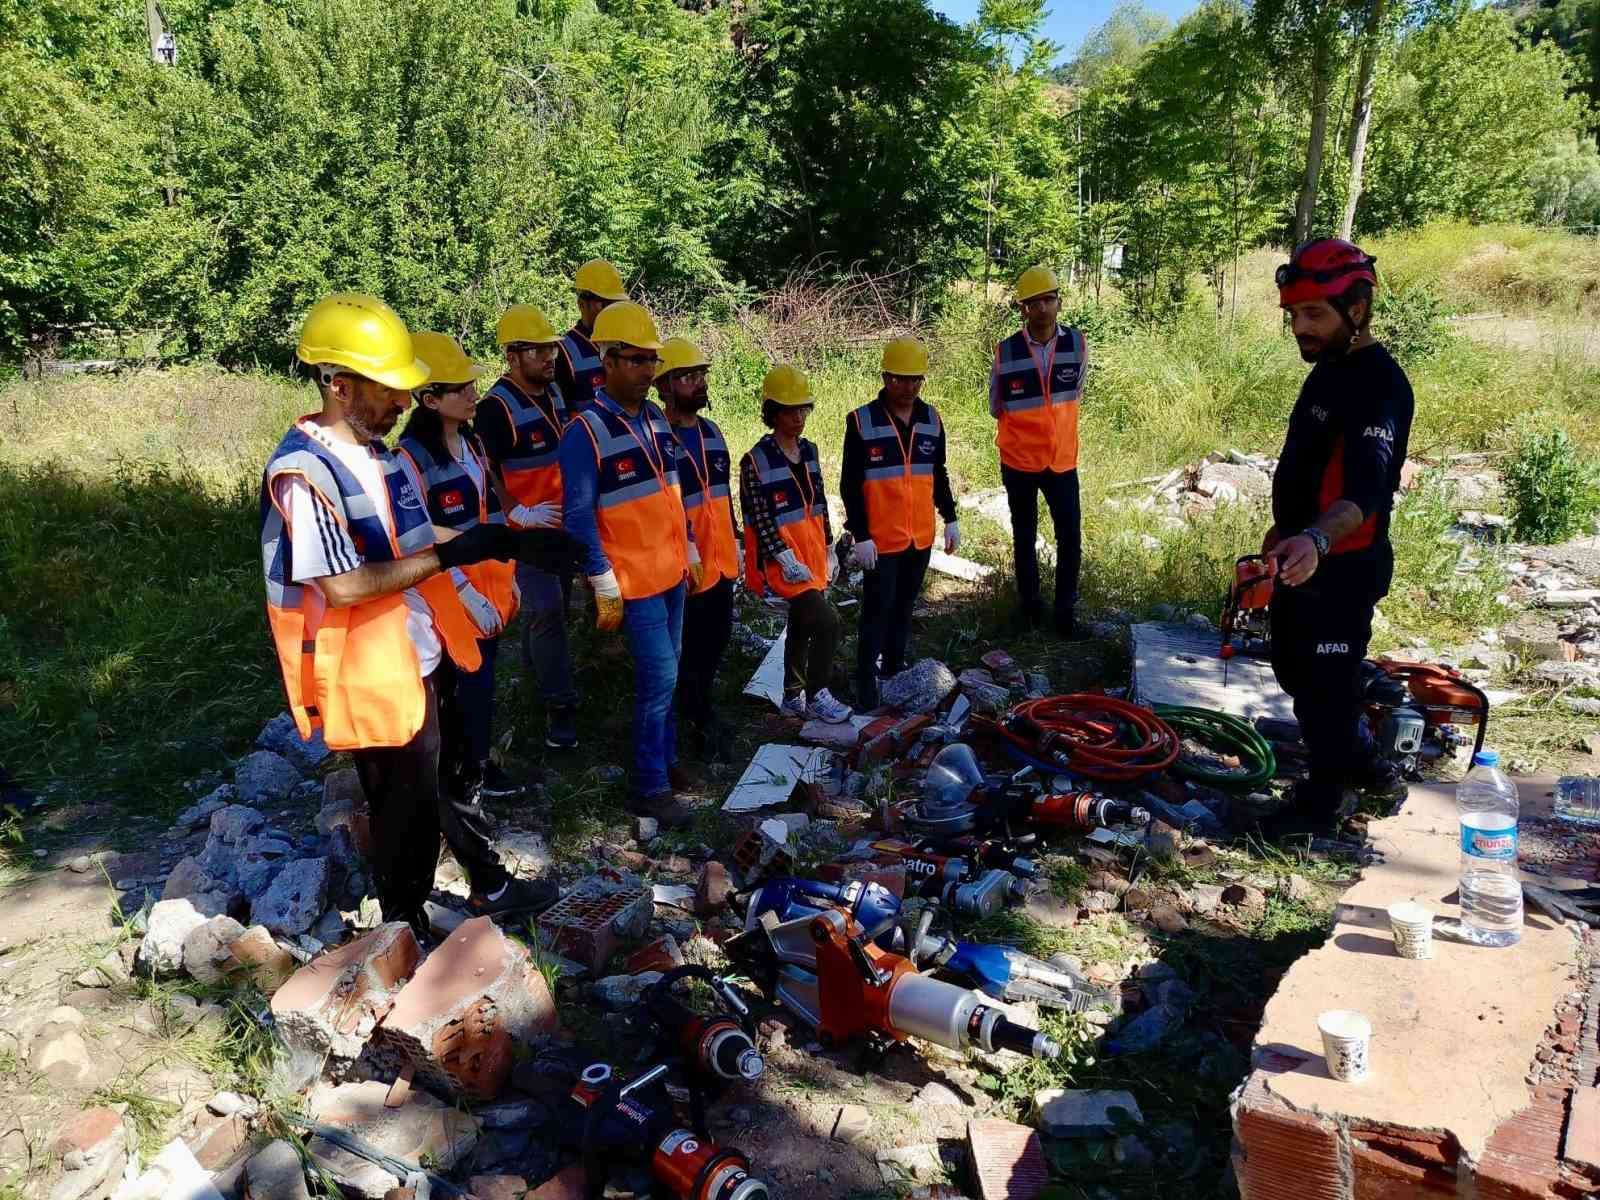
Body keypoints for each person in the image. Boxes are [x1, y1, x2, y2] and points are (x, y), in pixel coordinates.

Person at [260, 294, 566, 934]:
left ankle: (430, 907)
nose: (402, 403)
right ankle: (402, 932)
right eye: (391, 390)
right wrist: (459, 554)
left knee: (435, 792)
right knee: (401, 810)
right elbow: (345, 586)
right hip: (370, 671)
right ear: (340, 385)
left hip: (422, 651)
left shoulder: (384, 459)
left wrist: (500, 540)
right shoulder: (304, 473)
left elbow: (422, 543)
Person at [1260, 238, 1414, 832]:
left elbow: (1365, 491)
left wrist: (1317, 541)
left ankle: (1323, 805)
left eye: (1314, 314)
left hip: (1344, 565)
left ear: (1358, 306)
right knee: (1295, 671)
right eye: (1294, 316)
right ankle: (1360, 759)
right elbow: (1310, 463)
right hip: (1302, 555)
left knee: (1325, 684)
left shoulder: (1379, 385)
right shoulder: (1328, 369)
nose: (1301, 327)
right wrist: (1283, 530)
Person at [560, 302, 702, 828]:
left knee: (671, 672)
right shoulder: (585, 432)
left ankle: (665, 762)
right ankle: (648, 787)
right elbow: (578, 516)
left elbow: (673, 489)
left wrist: (688, 545)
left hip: (671, 576)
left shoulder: (655, 420)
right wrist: (600, 579)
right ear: (608, 361)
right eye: (638, 361)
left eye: (651, 361)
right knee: (658, 679)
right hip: (633, 582)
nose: (649, 372)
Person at [396, 332, 521, 803]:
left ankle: (479, 767)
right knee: (459, 688)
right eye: (460, 389)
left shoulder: (473, 445)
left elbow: (489, 516)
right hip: (450, 593)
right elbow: (418, 538)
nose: (473, 395)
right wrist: (464, 593)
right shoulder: (411, 459)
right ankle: (461, 781)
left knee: (483, 684)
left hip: (492, 585)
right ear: (430, 399)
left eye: (472, 384)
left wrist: (508, 580)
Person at [476, 304, 580, 752]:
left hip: (559, 526)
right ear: (513, 356)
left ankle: (536, 686)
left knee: (552, 613)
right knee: (547, 611)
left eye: (551, 348)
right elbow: (484, 467)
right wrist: (515, 511)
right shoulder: (495, 408)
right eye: (539, 351)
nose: (550, 357)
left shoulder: (554, 392)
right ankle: (561, 708)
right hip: (527, 532)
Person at [841, 337, 959, 709]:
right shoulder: (862, 422)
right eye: (901, 380)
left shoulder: (931, 419)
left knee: (905, 605)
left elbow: (937, 473)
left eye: (916, 380)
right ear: (886, 377)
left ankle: (892, 671)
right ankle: (864, 677)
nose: (909, 388)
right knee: (876, 609)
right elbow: (850, 483)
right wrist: (860, 534)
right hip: (880, 538)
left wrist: (950, 517)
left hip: (918, 537)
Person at [739, 365, 853, 725]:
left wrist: (831, 547)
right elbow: (758, 516)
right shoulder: (755, 460)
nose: (799, 417)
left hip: (811, 556)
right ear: (773, 411)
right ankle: (818, 693)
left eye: (803, 409)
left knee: (802, 624)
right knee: (827, 622)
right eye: (790, 410)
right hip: (782, 563)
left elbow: (818, 503)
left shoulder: (810, 451)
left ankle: (792, 695)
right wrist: (783, 557)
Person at [989, 265, 1088, 638]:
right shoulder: (1006, 351)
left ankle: (1065, 614)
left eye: (1049, 299)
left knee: (1070, 537)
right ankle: (1029, 608)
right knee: (1024, 535)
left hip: (1062, 460)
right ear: (1023, 309)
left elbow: (1075, 392)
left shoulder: (1077, 345)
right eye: (1034, 302)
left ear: (1059, 303)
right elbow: (996, 404)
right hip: (1018, 461)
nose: (1043, 308)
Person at [656, 337, 741, 761]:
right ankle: (686, 726)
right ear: (665, 385)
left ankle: (700, 710)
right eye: (689, 377)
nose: (700, 383)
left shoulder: (712, 432)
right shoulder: (657, 438)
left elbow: (723, 496)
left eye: (702, 374)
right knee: (684, 652)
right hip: (685, 569)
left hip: (721, 562)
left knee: (715, 640)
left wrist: (738, 539)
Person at [556, 259, 628, 414]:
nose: (611, 310)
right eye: (604, 303)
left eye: (615, 303)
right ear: (581, 303)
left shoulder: (628, 342)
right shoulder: (563, 352)